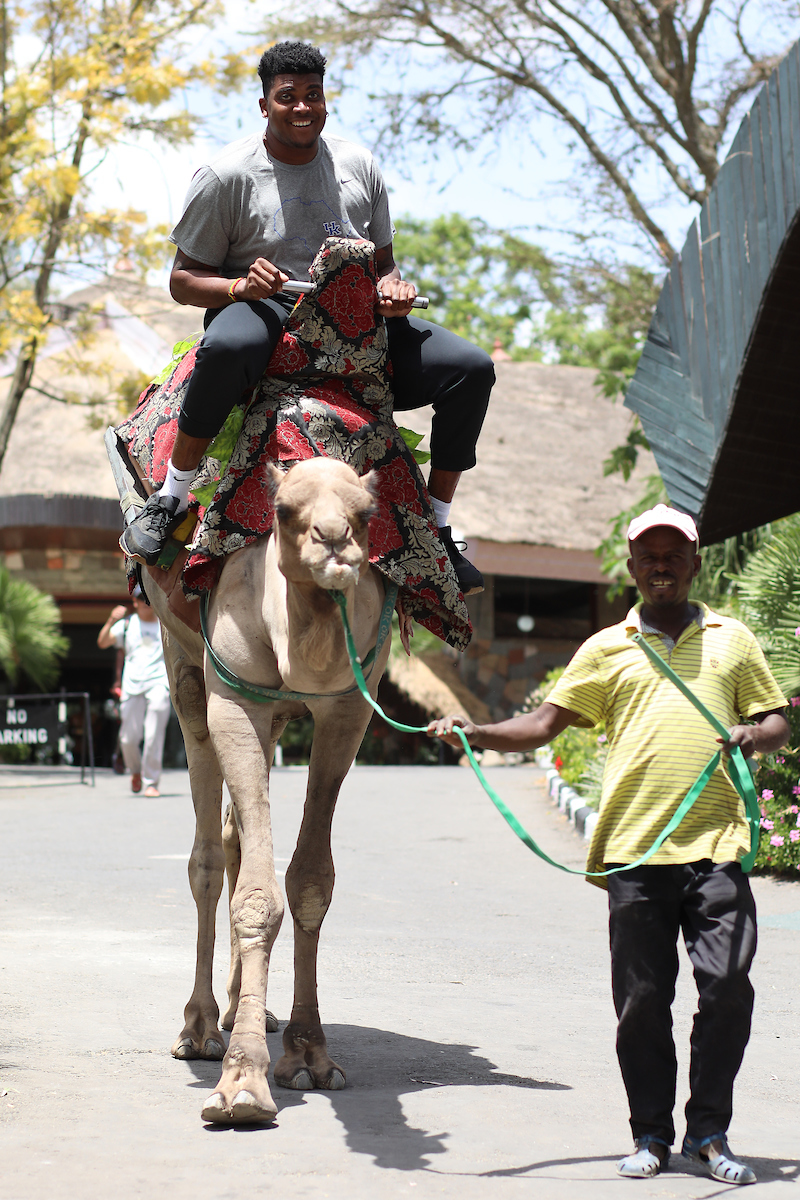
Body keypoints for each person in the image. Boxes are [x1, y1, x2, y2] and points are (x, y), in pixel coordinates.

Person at [428, 504, 789, 1185]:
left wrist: (754, 735)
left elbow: (776, 721)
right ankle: (651, 1135)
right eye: (648, 554)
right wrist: (474, 732)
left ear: (695, 562)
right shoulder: (604, 649)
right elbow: (542, 723)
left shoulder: (732, 641)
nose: (661, 564)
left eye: (673, 553)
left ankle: (709, 1131)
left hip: (715, 848)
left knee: (728, 988)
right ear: (630, 566)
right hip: (635, 852)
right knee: (643, 1002)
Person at [120, 39, 493, 597]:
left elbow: (386, 265)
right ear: (264, 105)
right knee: (223, 350)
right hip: (267, 311)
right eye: (287, 96)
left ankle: (438, 524)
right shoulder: (226, 177)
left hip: (355, 318)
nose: (302, 107)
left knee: (472, 366)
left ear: (325, 101)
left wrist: (392, 288)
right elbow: (182, 281)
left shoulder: (358, 165)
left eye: (312, 95)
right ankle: (172, 496)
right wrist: (238, 286)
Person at [97, 587, 172, 798]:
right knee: (128, 739)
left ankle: (151, 781)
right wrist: (111, 620)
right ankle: (135, 771)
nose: (146, 602)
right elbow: (102, 642)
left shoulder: (165, 623)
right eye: (141, 598)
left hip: (158, 683)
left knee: (153, 733)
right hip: (132, 686)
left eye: (149, 598)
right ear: (135, 602)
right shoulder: (127, 625)